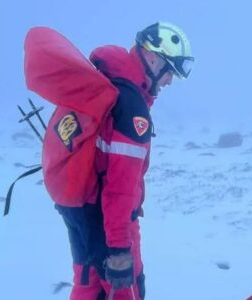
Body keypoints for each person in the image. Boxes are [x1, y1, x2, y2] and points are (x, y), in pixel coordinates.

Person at [52, 22, 194, 299]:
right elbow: (120, 190)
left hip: (79, 209)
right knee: (124, 291)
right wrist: (119, 250)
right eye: (169, 71)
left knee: (87, 283)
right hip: (110, 221)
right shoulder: (131, 110)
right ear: (152, 57)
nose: (169, 81)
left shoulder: (106, 78)